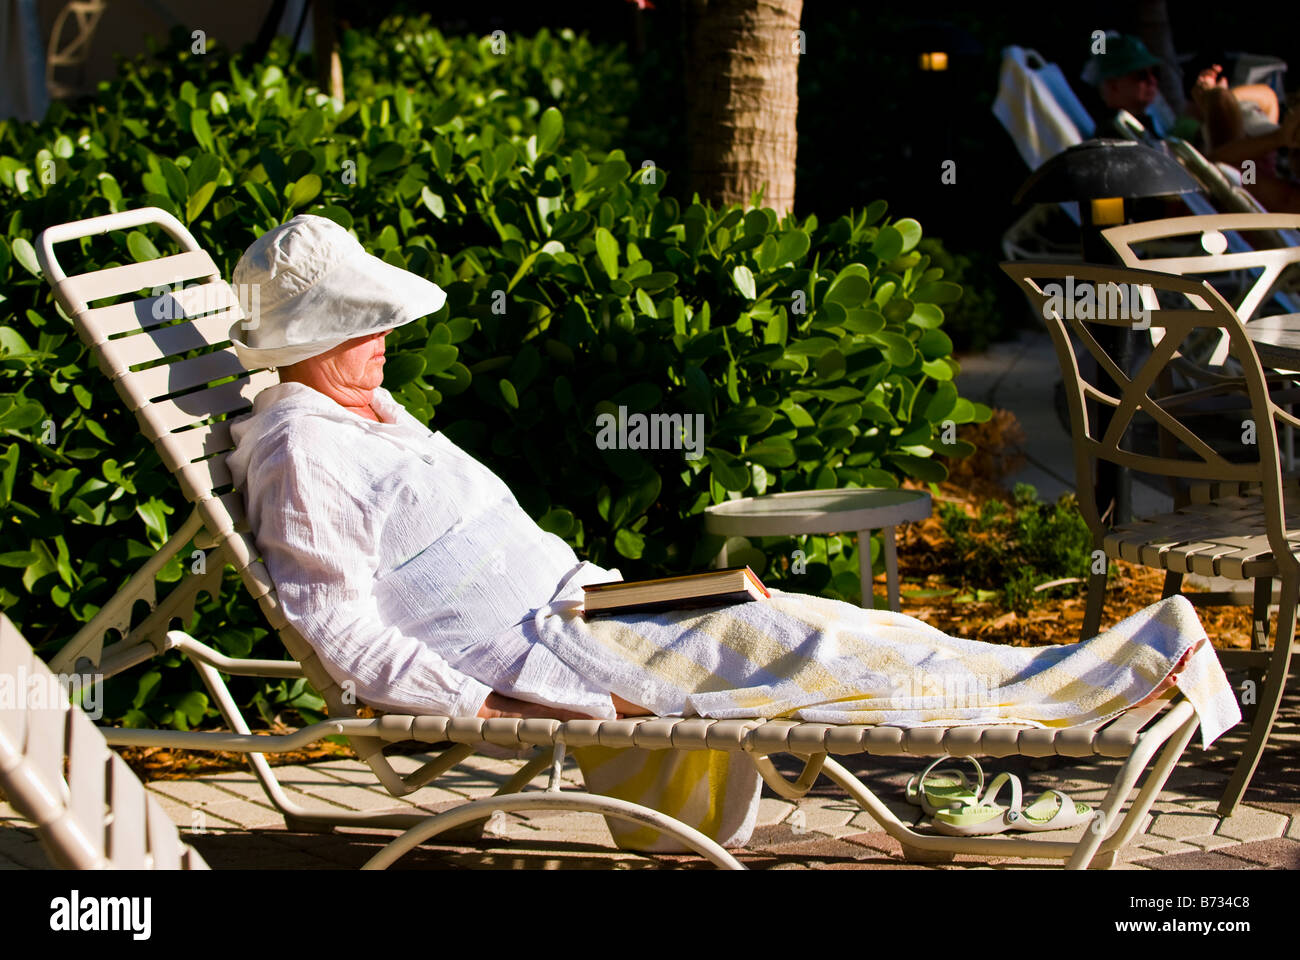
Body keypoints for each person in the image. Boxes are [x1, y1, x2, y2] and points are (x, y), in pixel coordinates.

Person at [226, 216, 1229, 736]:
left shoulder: (364, 407)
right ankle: (1089, 690)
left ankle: (1072, 679)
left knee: (820, 618)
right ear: (308, 340)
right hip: (560, 656)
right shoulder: (303, 450)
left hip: (590, 605)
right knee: (802, 652)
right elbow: (337, 622)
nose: (388, 335)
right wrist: (478, 712)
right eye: (363, 324)